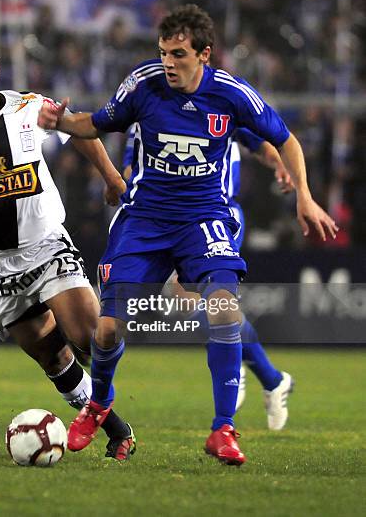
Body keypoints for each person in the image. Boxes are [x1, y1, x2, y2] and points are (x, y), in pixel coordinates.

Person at [39, 4, 338, 466]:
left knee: (222, 308)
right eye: (163, 53)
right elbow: (95, 123)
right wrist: (59, 120)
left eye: (178, 54)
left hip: (204, 217)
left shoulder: (232, 95)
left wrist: (304, 195)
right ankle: (98, 403)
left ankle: (223, 429)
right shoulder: (143, 86)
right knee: (105, 328)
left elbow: (285, 140)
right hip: (144, 218)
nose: (169, 63)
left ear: (204, 53)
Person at [0, 36, 135, 461]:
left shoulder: (28, 106)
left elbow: (79, 129)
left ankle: (97, 409)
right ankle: (117, 429)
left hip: (45, 245)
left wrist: (111, 176)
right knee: (54, 359)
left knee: (92, 338)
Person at [122, 124, 295, 430]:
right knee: (198, 300)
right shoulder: (148, 112)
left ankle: (243, 363)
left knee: (196, 294)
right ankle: (271, 378)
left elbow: (261, 144)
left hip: (218, 212)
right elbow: (130, 169)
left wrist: (281, 164)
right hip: (173, 216)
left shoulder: (219, 100)